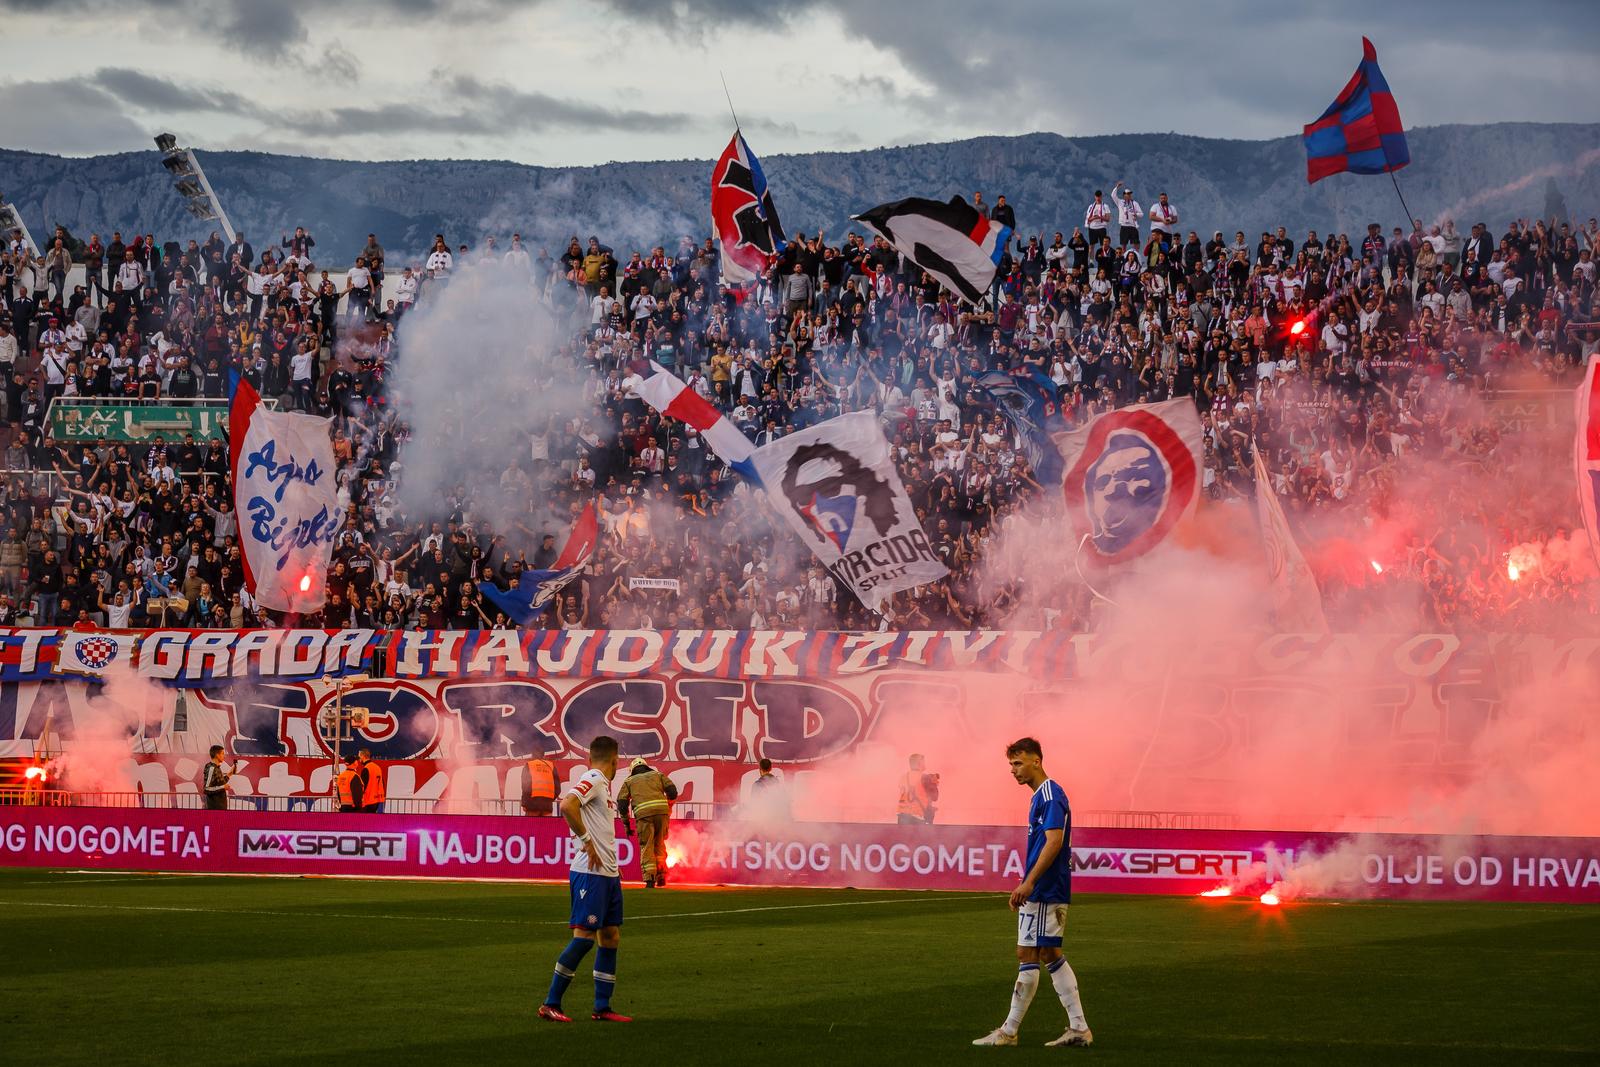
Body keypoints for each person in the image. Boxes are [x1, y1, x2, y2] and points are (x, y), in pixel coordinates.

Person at [972, 737, 1090, 1048]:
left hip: (1046, 890)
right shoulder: (1040, 795)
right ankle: (1078, 1029)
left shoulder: (1050, 795)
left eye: (1018, 762)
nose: (1013, 770)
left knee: (1027, 954)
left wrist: (1030, 882)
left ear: (1036, 760)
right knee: (1049, 953)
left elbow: (1053, 841)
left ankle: (1009, 1032)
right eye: (1011, 764)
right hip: (1048, 888)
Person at [539, 735, 632, 1023]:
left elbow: (601, 828)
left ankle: (601, 1007)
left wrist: (612, 865)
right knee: (584, 938)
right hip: (589, 874)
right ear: (615, 761)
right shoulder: (592, 777)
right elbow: (568, 805)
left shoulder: (603, 786)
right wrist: (585, 840)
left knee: (610, 935)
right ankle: (551, 1003)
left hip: (607, 873)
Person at [617, 756, 678, 888]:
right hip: (662, 813)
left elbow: (622, 804)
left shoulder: (629, 781)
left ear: (632, 769)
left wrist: (626, 825)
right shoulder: (658, 775)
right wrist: (668, 806)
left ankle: (650, 879)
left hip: (644, 816)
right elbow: (672, 791)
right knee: (660, 844)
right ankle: (661, 875)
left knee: (647, 846)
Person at [895, 753, 939, 825]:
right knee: (917, 836)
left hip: (901, 815)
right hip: (916, 817)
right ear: (919, 764)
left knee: (903, 836)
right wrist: (934, 783)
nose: (925, 764)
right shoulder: (924, 777)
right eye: (923, 762)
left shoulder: (903, 777)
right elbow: (934, 797)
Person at [202, 745, 234, 811]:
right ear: (217, 755)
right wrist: (223, 787)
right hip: (214, 808)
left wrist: (229, 774)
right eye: (222, 753)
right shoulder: (211, 768)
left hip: (220, 807)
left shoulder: (216, 768)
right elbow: (207, 789)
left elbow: (220, 783)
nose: (224, 756)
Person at [358, 747, 385, 813]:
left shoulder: (366, 768)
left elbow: (363, 786)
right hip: (378, 800)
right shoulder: (377, 767)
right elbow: (382, 783)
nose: (359, 759)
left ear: (363, 756)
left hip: (368, 801)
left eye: (359, 757)